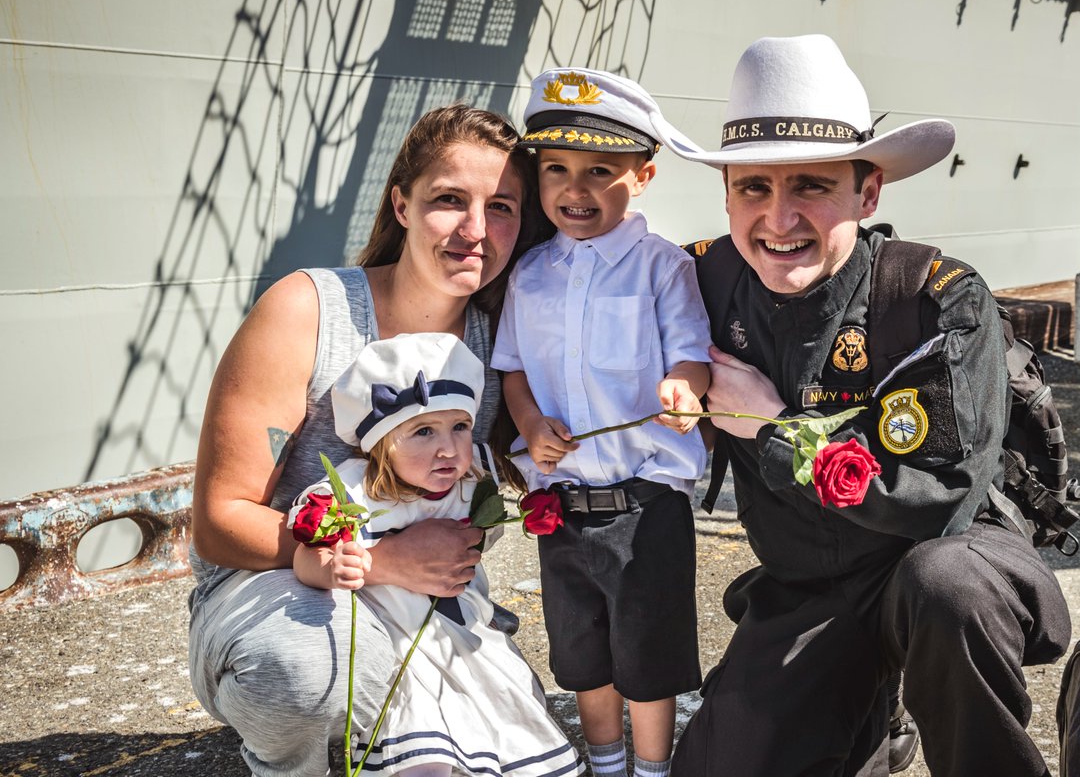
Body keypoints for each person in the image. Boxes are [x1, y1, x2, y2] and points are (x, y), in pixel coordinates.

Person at [660, 35, 1072, 776]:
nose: (779, 220)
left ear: (869, 192)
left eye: (810, 187)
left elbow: (938, 500)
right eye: (754, 188)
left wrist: (772, 428)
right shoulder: (700, 280)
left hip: (945, 559)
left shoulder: (934, 296)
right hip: (809, 588)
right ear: (726, 194)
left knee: (945, 589)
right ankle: (873, 719)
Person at [187, 103, 543, 776]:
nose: (476, 230)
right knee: (313, 673)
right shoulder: (308, 311)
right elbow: (218, 523)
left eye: (501, 207)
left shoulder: (503, 345)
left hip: (420, 610)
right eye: (448, 200)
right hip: (272, 593)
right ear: (401, 205)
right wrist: (383, 561)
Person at [491, 67, 712, 777]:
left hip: (645, 506)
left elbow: (689, 354)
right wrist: (529, 421)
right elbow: (514, 366)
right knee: (583, 654)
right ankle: (606, 762)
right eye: (555, 168)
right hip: (564, 503)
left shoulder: (662, 267)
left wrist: (684, 386)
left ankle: (650, 769)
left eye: (599, 170)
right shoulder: (529, 274)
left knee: (648, 658)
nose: (573, 189)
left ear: (642, 176)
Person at [287, 333, 584, 776]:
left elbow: (534, 467)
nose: (448, 448)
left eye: (459, 427)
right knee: (424, 747)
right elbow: (303, 559)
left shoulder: (473, 481)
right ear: (380, 444)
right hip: (399, 646)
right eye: (423, 432)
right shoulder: (351, 495)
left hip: (465, 634)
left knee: (503, 716)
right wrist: (336, 566)